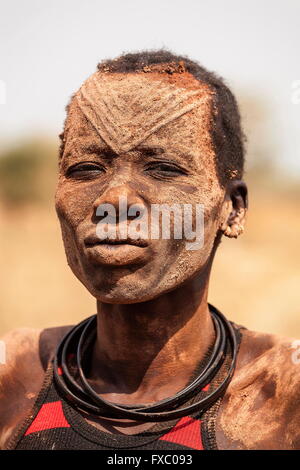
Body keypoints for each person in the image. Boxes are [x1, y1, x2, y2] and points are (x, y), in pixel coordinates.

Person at [1, 50, 299, 451]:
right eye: (86, 168)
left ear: (233, 208)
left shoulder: (283, 396)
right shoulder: (15, 376)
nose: (115, 198)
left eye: (163, 169)